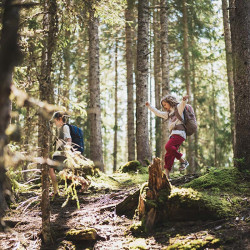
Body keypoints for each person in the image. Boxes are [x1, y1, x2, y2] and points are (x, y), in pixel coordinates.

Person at [146, 95, 189, 179]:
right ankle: (167, 176)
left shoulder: (178, 109)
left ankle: (183, 161)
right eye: (163, 105)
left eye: (165, 104)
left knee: (168, 146)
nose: (164, 107)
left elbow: (183, 104)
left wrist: (184, 99)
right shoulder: (168, 114)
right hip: (173, 134)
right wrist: (149, 106)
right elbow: (158, 113)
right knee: (168, 155)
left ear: (170, 102)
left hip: (180, 133)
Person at [50, 111, 72, 196]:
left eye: (55, 120)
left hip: (61, 154)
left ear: (59, 119)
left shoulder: (65, 127)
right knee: (63, 174)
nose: (54, 122)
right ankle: (83, 182)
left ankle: (56, 192)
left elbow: (69, 140)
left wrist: (67, 151)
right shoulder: (60, 128)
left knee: (51, 169)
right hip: (58, 154)